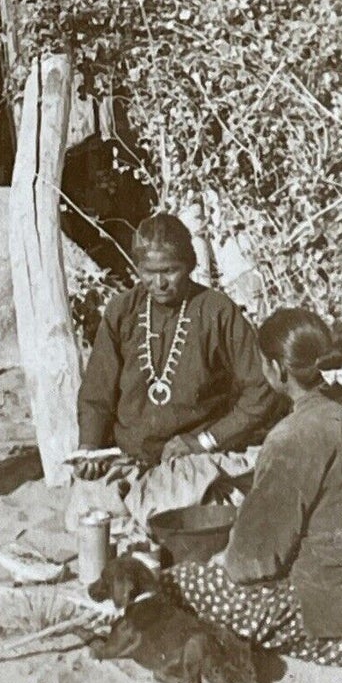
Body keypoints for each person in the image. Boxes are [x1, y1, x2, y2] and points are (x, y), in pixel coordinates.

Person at [165, 308, 342, 669]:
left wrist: (222, 556)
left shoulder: (291, 436)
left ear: (277, 369)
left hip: (328, 603)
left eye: (262, 363)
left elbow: (250, 563)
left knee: (182, 582)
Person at [69, 213, 280, 529]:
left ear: (190, 265)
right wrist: (89, 448)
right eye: (148, 272)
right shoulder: (122, 311)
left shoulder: (216, 310)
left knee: (173, 506)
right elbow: (97, 393)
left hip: (190, 463)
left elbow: (262, 390)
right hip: (128, 460)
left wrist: (204, 441)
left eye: (170, 270)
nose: (159, 282)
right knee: (81, 513)